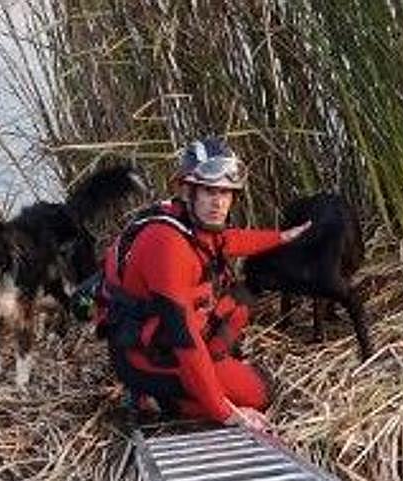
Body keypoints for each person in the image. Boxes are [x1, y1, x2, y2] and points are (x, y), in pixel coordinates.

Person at [98, 137, 308, 431]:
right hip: (146, 358)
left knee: (241, 300)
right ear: (187, 190)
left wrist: (283, 237)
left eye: (226, 193)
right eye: (210, 191)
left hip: (166, 340)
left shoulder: (191, 223)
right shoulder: (166, 243)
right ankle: (156, 400)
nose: (219, 202)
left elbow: (231, 240)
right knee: (260, 392)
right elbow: (183, 337)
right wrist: (226, 413)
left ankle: (206, 378)